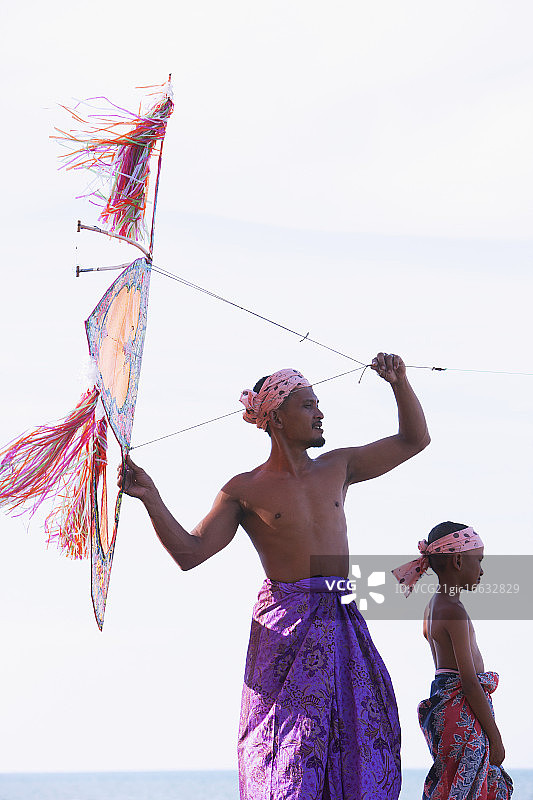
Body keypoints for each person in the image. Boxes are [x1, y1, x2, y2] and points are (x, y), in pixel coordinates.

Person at [120, 353, 430, 800]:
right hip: (287, 629)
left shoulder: (338, 466)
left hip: (341, 618)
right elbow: (190, 553)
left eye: (318, 405)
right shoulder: (244, 489)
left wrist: (399, 383)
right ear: (278, 418)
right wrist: (151, 498)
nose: (320, 413)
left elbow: (413, 440)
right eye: (308, 406)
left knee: (361, 737)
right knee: (290, 751)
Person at [392, 521, 513, 799]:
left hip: (445, 711)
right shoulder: (454, 611)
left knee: (452, 782)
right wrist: (496, 739)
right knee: (468, 788)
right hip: (463, 713)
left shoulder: (432, 606)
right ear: (458, 560)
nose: (481, 570)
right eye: (478, 560)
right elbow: (469, 683)